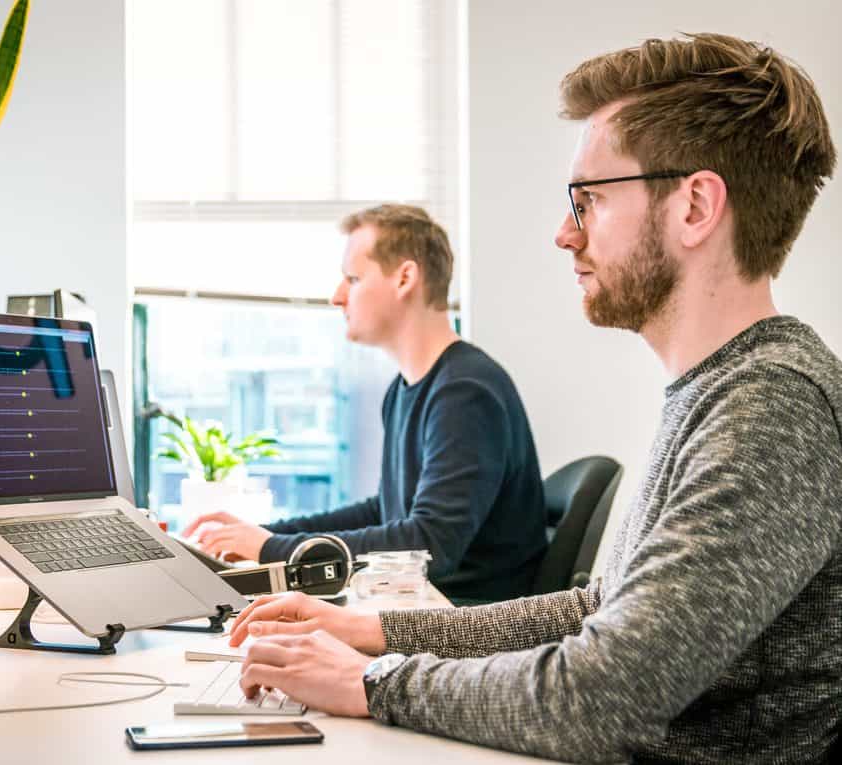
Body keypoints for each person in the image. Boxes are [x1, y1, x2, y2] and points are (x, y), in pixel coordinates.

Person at [223, 34, 842, 764]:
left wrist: (372, 680)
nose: (563, 232)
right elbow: (599, 610)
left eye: (588, 201)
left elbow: (599, 696)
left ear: (696, 206)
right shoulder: (719, 389)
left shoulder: (769, 407)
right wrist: (378, 631)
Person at [185, 204, 548, 603]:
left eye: (353, 279)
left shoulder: (465, 393)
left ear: (405, 278)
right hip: (421, 606)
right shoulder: (407, 389)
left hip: (463, 622)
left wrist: (272, 550)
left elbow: (429, 546)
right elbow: (386, 511)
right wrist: (268, 535)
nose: (337, 297)